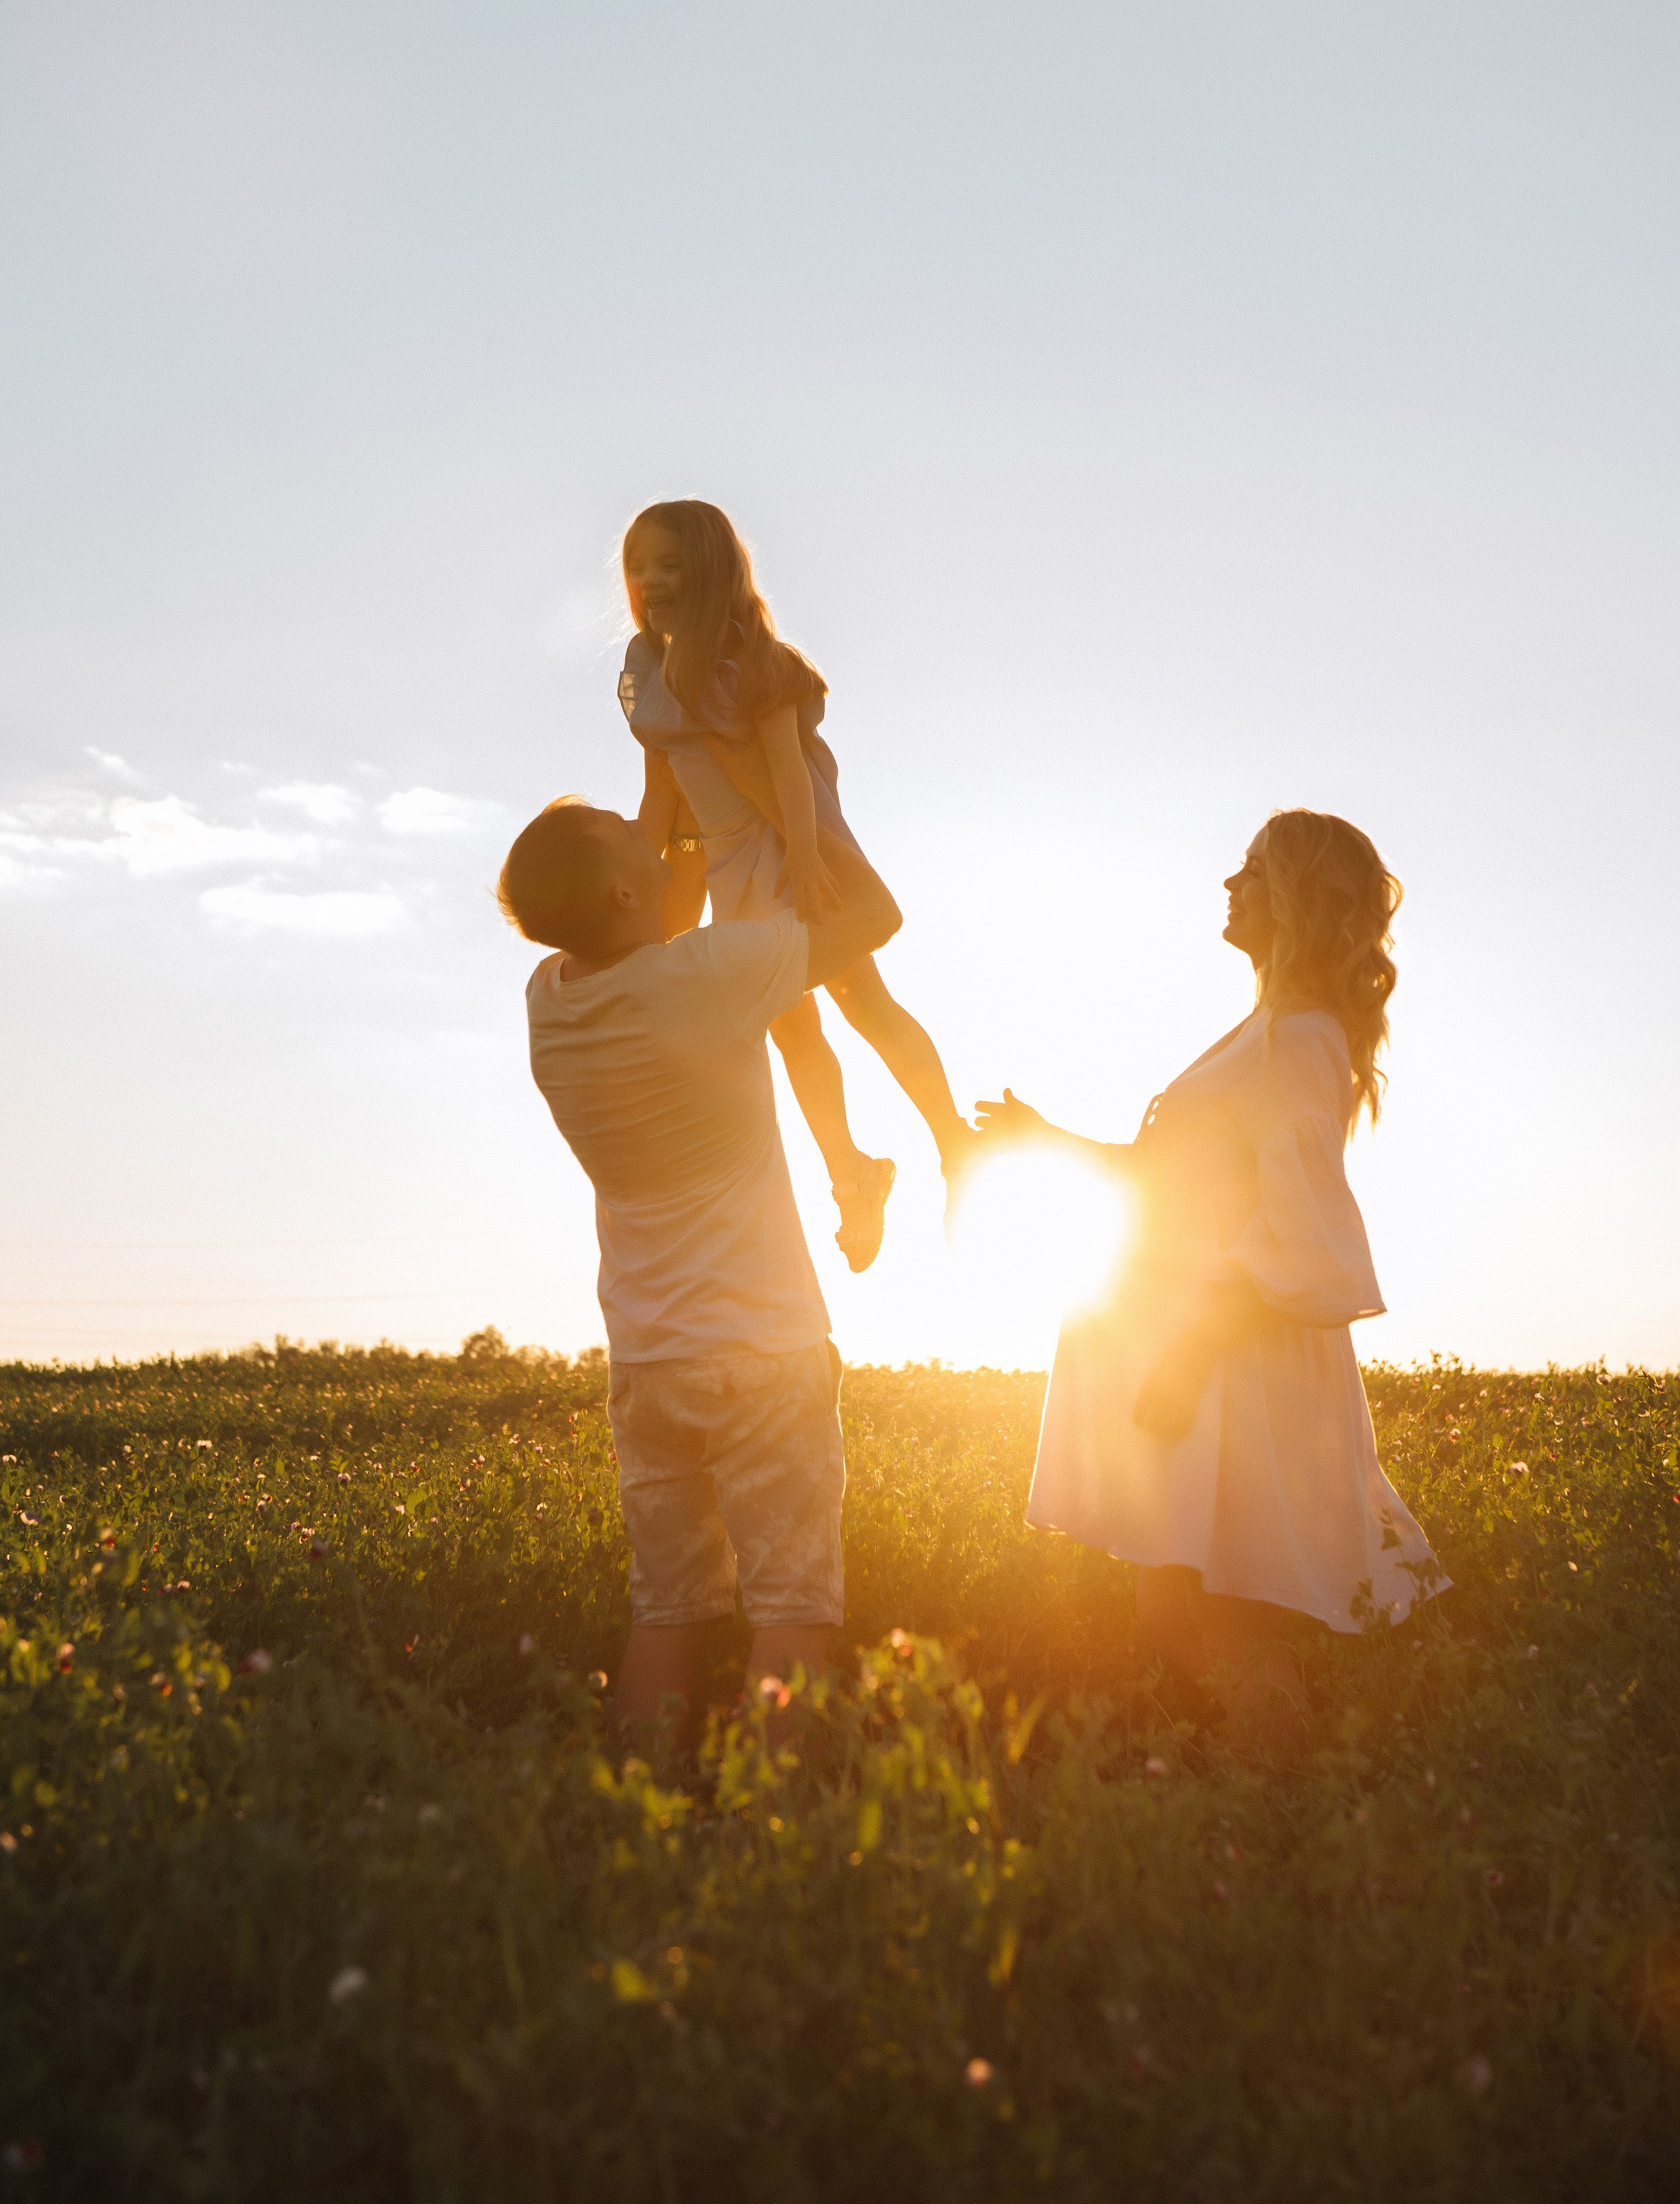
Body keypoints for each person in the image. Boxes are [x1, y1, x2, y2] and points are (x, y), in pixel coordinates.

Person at [976, 808, 1446, 1753]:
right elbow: (1174, 1183)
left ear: (1302, 900)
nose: (1230, 884)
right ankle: (1274, 1810)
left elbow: (1303, 1233)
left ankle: (1300, 1824)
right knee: (1172, 1609)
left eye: (1254, 870)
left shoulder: (1304, 1039)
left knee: (1222, 1615)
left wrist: (1188, 1354)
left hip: (1228, 1358)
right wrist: (1049, 1142)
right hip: (1193, 1349)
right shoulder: (1263, 1030)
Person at [498, 794, 902, 1750]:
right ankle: (770, 1844)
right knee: (792, 1610)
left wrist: (668, 814)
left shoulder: (549, 1002)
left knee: (668, 1612)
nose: (653, 825)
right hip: (762, 1351)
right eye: (632, 827)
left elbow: (640, 914)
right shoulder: (712, 973)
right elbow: (876, 919)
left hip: (647, 1362)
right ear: (627, 886)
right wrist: (808, 805)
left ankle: (641, 1827)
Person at [617, 496, 974, 1271]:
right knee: (792, 1028)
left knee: (863, 1002)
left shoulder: (754, 661)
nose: (653, 580)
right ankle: (851, 1171)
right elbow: (662, 799)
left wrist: (808, 860)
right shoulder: (648, 678)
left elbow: (786, 769)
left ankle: (953, 1143)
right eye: (640, 566)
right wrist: (644, 887)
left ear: (711, 572)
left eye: (671, 564)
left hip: (791, 853)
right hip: (730, 870)